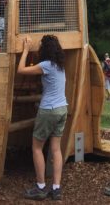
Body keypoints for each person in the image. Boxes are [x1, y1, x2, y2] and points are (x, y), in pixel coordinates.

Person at [18, 35, 68, 201]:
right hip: (62, 109)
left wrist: (25, 50)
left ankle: (40, 187)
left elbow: (21, 70)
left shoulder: (46, 65)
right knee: (55, 149)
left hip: (49, 110)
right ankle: (56, 188)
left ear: (44, 49)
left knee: (37, 148)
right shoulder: (60, 66)